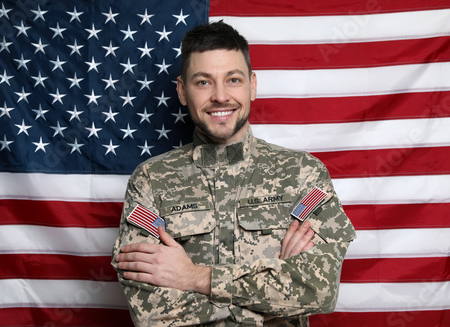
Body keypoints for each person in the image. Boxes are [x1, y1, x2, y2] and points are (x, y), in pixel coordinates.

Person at [112, 21, 356, 327]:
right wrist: (273, 299)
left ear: (252, 85)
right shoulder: (150, 180)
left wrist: (194, 276)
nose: (221, 96)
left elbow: (318, 290)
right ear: (182, 91)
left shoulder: (303, 174)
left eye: (234, 80)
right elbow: (149, 310)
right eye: (203, 82)